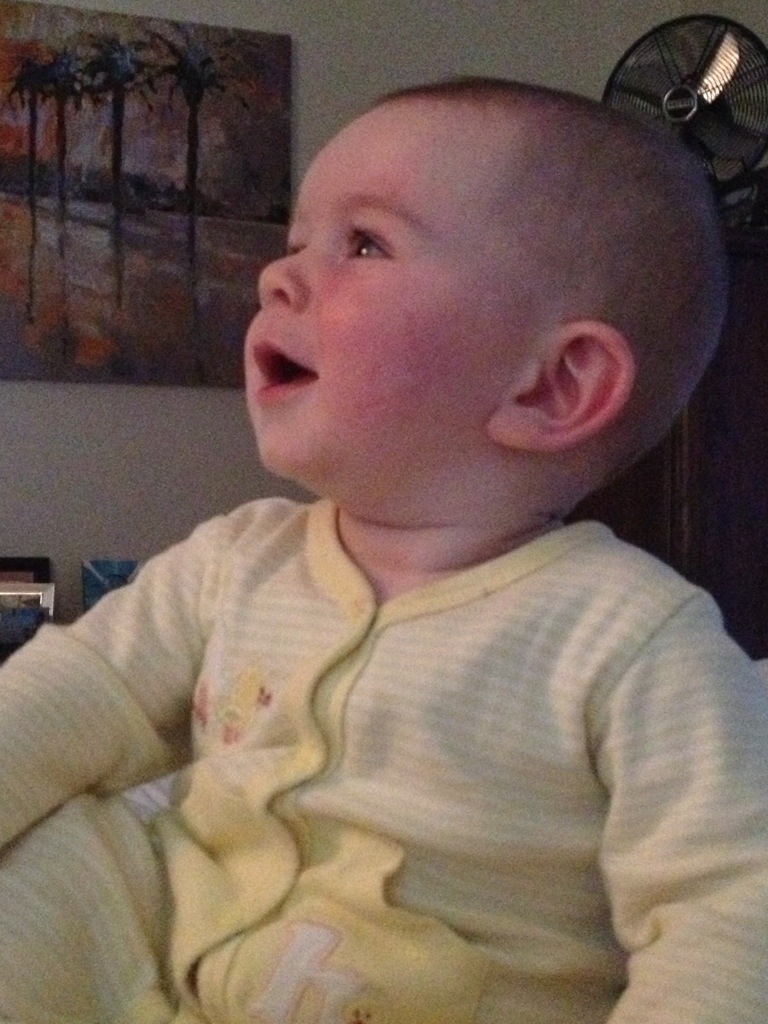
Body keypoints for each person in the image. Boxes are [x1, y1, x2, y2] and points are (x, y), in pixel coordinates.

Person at [0, 76, 766, 1024]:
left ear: (552, 386)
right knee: (66, 838)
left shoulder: (630, 636)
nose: (276, 278)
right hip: (149, 966)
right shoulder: (233, 560)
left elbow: (730, 908)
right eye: (295, 244)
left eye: (364, 243)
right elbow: (65, 699)